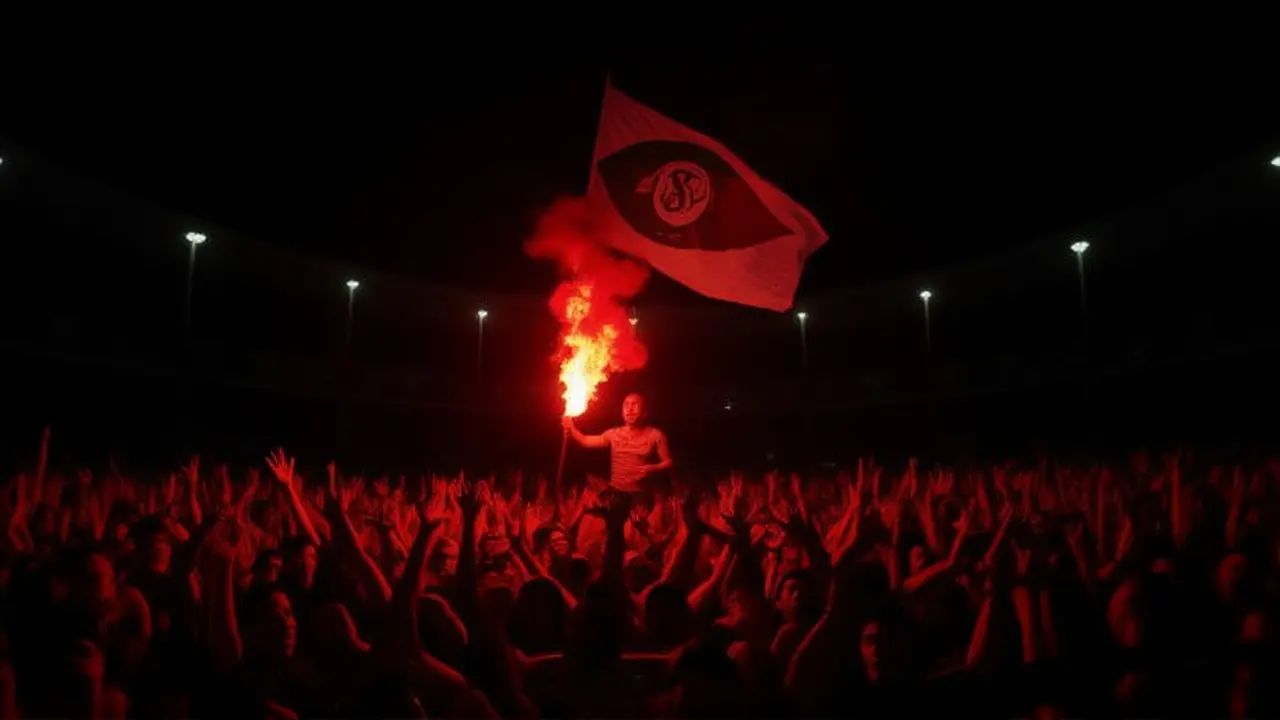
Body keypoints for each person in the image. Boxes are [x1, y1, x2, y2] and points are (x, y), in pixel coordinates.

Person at [562, 393, 673, 507]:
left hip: (640, 495)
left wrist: (653, 468)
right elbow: (585, 441)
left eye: (634, 404)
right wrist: (571, 428)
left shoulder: (656, 435)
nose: (630, 409)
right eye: (626, 405)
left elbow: (668, 462)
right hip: (616, 492)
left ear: (645, 412)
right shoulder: (613, 434)